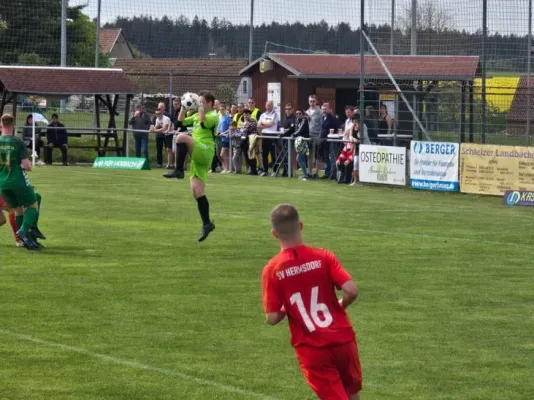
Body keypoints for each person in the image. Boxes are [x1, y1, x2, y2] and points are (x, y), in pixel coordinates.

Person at [262, 204, 362, 400]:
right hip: (343, 338)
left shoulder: (272, 269)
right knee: (351, 393)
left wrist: (286, 306)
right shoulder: (323, 256)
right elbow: (351, 290)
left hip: (312, 347)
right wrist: (341, 305)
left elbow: (272, 317)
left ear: (274, 234)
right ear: (301, 225)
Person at [163, 91, 218, 242]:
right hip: (197, 153)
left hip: (205, 150)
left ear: (210, 104)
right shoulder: (195, 115)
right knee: (197, 191)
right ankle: (207, 224)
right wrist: (182, 107)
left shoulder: (213, 116)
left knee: (180, 137)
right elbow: (180, 122)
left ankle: (179, 170)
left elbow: (202, 122)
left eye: (202, 102)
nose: (199, 104)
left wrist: (199, 108)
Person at [0, 114, 43, 249]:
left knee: (18, 211)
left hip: (3, 183)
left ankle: (25, 238)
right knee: (33, 206)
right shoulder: (17, 142)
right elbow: (26, 165)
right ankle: (24, 231)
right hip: (17, 180)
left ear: (1, 124)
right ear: (13, 125)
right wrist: (27, 164)